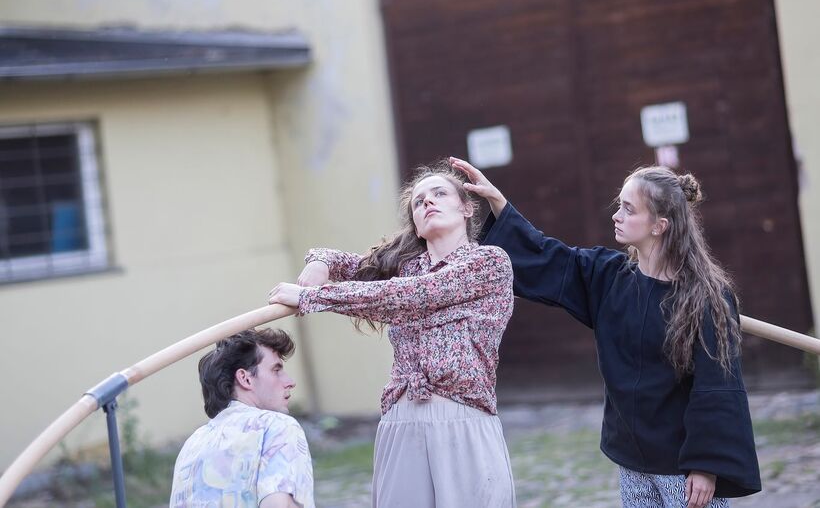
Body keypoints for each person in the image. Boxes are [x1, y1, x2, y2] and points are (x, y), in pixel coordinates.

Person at [449, 157, 761, 508]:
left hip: (683, 469)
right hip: (633, 462)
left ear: (659, 225)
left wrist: (706, 465)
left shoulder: (707, 297)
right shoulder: (609, 277)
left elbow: (717, 386)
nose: (617, 215)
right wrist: (499, 204)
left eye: (629, 209)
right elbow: (549, 257)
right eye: (619, 206)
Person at [267, 161, 517, 508]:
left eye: (439, 193)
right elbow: (353, 265)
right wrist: (320, 260)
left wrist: (314, 298)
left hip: (462, 418)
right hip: (402, 419)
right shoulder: (403, 268)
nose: (428, 202)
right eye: (418, 201)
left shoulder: (490, 263)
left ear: (466, 207)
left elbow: (415, 295)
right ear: (415, 223)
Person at [170, 328, 314, 508]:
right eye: (276, 370)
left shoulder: (192, 445)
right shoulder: (277, 427)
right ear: (245, 379)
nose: (290, 381)